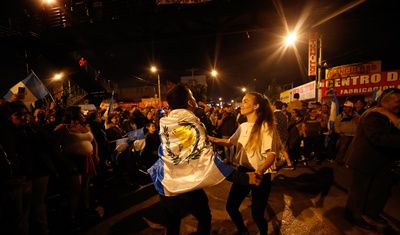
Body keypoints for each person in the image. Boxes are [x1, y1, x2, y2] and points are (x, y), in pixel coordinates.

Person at [147, 84, 261, 235]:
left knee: (173, 225)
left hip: (164, 185)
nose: (195, 99)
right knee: (204, 219)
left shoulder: (165, 123)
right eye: (193, 96)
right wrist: (244, 178)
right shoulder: (191, 125)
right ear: (189, 102)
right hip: (185, 188)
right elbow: (210, 159)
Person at [210, 92, 278, 235]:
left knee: (257, 215)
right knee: (231, 207)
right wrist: (209, 138)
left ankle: (263, 232)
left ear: (256, 105)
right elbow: (229, 143)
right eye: (242, 101)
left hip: (261, 175)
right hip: (243, 172)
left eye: (246, 101)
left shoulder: (265, 126)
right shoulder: (243, 126)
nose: (241, 104)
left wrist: (261, 170)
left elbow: (271, 154)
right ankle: (243, 230)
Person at [344, 88, 400, 231]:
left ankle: (370, 213)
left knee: (378, 190)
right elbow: (378, 138)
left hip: (381, 162)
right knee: (359, 192)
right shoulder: (373, 115)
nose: (399, 105)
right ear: (384, 102)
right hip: (363, 161)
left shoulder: (391, 115)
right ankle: (354, 216)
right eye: (397, 102)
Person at [52, 106, 99, 230]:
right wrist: (67, 163)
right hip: (72, 160)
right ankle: (71, 217)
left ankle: (86, 208)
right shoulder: (63, 128)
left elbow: (93, 141)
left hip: (87, 160)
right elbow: (55, 148)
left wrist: (96, 155)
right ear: (73, 114)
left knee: (85, 185)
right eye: (80, 113)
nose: (83, 115)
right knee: (75, 189)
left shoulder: (85, 126)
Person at [334, 101, 359, 166]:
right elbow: (336, 125)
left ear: (351, 108)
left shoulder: (357, 116)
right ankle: (339, 161)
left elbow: (359, 124)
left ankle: (349, 162)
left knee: (352, 150)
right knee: (342, 149)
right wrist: (339, 133)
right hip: (344, 135)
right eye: (344, 107)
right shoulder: (340, 116)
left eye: (347, 107)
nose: (344, 108)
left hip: (354, 136)